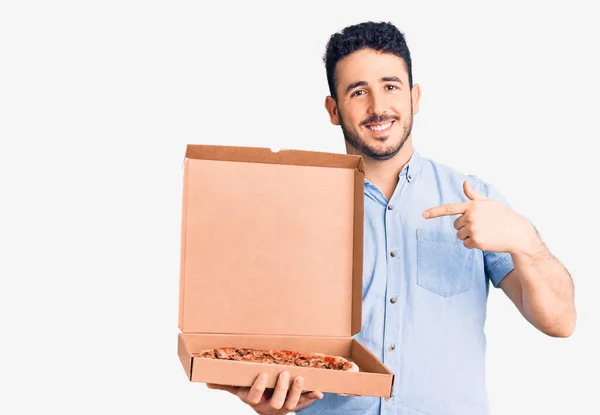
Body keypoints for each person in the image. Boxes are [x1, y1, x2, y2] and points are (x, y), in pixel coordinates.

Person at [206, 21, 576, 415]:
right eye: (358, 91)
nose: (378, 107)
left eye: (390, 86)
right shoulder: (293, 208)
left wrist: (525, 240)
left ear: (415, 97)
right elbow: (262, 332)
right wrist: (264, 389)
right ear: (333, 110)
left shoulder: (474, 199)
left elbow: (560, 321)